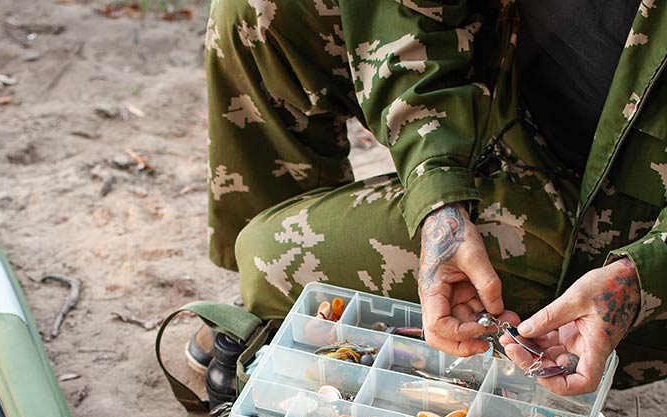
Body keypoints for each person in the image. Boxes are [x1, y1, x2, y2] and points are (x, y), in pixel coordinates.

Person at [204, 0, 667, 395]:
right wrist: (438, 195)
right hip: (500, 89)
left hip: (615, 223)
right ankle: (268, 324)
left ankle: (277, 310)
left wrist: (637, 280)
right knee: (257, 12)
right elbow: (406, 13)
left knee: (270, 258)